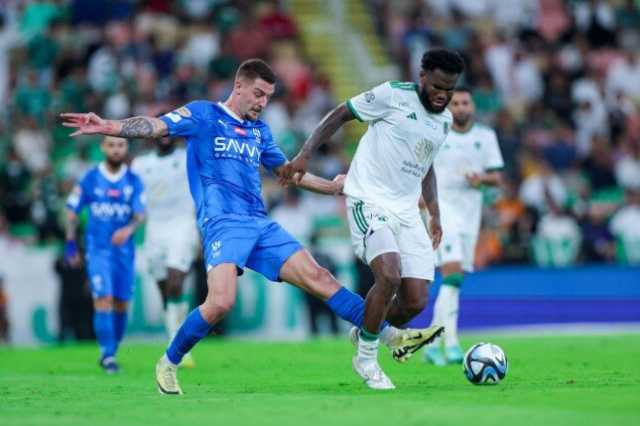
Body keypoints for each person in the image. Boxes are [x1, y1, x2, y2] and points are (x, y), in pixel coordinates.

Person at [61, 59, 435, 394]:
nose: (262, 102)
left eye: (268, 97)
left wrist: (333, 187)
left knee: (321, 278)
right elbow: (155, 126)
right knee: (221, 302)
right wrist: (107, 125)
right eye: (257, 94)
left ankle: (389, 337)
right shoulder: (203, 115)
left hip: (260, 224)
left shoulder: (260, 132)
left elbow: (289, 173)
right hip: (222, 224)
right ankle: (169, 361)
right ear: (238, 86)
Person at [280, 49, 465, 389]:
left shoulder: (444, 121)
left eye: (450, 89)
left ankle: (366, 329)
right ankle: (366, 359)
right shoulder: (392, 94)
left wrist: (435, 213)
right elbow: (339, 115)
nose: (443, 95)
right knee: (389, 275)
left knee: (415, 301)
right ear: (422, 76)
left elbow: (427, 166)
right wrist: (305, 154)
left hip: (408, 211)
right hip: (369, 199)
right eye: (438, 86)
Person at [421, 87, 504, 365]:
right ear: (449, 107)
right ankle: (452, 343)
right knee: (453, 274)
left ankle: (432, 345)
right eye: (455, 103)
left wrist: (480, 178)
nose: (460, 107)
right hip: (442, 213)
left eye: (465, 102)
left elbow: (497, 177)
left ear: (472, 106)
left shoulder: (485, 136)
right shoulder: (438, 133)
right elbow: (422, 169)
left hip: (471, 214)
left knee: (455, 282)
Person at [64, 136, 146, 374]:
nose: (116, 149)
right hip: (98, 250)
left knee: (121, 304)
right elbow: (71, 211)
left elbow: (140, 214)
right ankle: (107, 355)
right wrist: (70, 243)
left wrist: (128, 229)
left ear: (126, 148)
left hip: (125, 253)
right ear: (103, 148)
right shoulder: (90, 178)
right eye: (111, 145)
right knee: (103, 299)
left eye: (120, 145)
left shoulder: (133, 179)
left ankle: (113, 349)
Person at [131, 137, 199, 368]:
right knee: (165, 293)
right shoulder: (140, 164)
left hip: (182, 225)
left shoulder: (187, 157)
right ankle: (175, 337)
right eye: (161, 131)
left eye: (169, 131)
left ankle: (177, 346)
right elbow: (133, 196)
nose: (165, 136)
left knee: (175, 282)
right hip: (154, 229)